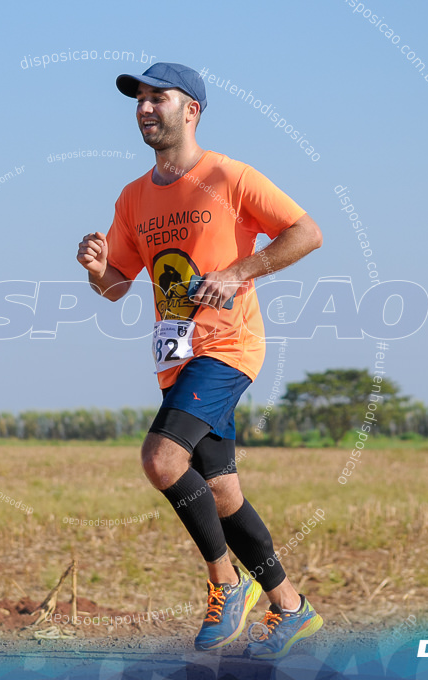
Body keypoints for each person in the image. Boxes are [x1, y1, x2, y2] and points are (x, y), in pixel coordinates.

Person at [76, 62, 323, 658]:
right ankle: (292, 608)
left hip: (228, 347)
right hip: (176, 360)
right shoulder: (133, 197)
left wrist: (238, 273)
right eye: (138, 99)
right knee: (221, 491)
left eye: (157, 98)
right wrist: (94, 269)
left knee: (162, 459)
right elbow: (116, 286)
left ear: (192, 110)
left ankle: (224, 583)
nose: (143, 107)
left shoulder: (229, 176)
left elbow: (306, 231)